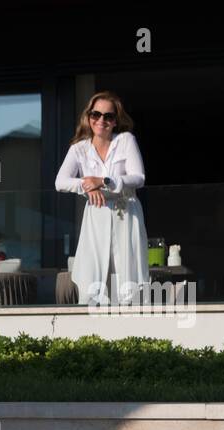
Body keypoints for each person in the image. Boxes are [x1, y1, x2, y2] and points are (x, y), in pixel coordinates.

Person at [56, 91, 149, 305]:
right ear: (88, 117)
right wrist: (87, 186)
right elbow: (60, 182)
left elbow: (139, 177)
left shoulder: (125, 140)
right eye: (96, 114)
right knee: (93, 280)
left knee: (128, 282)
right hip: (96, 215)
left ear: (116, 121)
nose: (101, 120)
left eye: (108, 116)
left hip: (126, 214)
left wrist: (104, 181)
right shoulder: (79, 148)